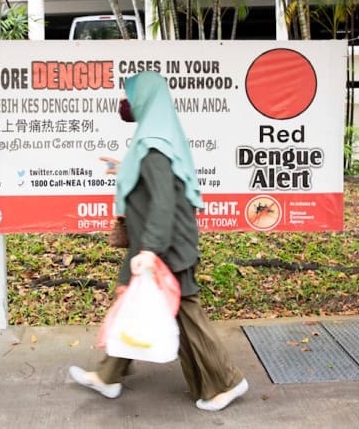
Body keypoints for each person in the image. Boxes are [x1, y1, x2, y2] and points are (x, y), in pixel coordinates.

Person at [69, 71, 248, 412]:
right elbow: (152, 182)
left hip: (164, 246)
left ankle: (226, 382)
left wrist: (150, 251)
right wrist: (123, 169)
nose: (127, 104)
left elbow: (163, 202)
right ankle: (109, 376)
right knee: (133, 301)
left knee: (185, 313)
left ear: (147, 100)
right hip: (155, 243)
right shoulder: (153, 139)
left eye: (132, 97)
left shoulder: (153, 146)